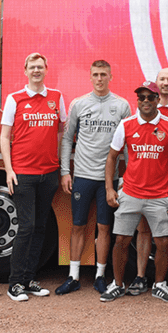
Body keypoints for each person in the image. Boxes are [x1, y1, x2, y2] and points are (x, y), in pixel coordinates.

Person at [100, 81, 168, 303]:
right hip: (130, 192)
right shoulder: (126, 125)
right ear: (137, 100)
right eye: (141, 97)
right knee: (121, 240)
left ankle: (159, 284)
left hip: (159, 195)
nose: (146, 101)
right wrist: (110, 188)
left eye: (150, 97)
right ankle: (117, 285)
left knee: (164, 243)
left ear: (158, 99)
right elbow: (111, 157)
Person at [56, 61, 131, 295]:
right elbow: (68, 139)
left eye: (103, 75)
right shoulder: (79, 104)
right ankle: (74, 276)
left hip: (109, 179)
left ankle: (100, 275)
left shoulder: (122, 105)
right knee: (78, 226)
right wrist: (65, 172)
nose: (99, 79)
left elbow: (128, 145)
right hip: (83, 176)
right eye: (95, 75)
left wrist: (127, 175)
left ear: (110, 76)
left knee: (104, 227)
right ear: (90, 77)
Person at [1, 52, 67, 302]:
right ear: (25, 71)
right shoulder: (14, 99)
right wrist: (9, 170)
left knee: (40, 228)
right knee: (26, 228)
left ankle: (29, 279)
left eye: (40, 67)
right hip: (23, 175)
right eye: (32, 67)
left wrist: (59, 168)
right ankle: (14, 283)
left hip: (48, 174)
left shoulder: (56, 97)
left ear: (46, 69)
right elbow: (5, 137)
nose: (36, 70)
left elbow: (61, 133)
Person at [131, 68, 168, 298]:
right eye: (161, 79)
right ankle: (140, 276)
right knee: (144, 230)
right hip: (147, 182)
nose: (165, 83)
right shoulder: (140, 110)